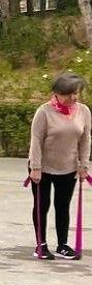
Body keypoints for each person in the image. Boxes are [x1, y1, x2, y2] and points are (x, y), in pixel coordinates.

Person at [28, 72, 91, 260]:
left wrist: (84, 165)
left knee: (62, 206)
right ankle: (41, 244)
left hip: (68, 166)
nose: (73, 97)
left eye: (75, 93)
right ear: (56, 93)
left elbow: (85, 140)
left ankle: (62, 245)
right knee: (42, 205)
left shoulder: (84, 111)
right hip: (43, 167)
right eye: (67, 94)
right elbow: (36, 140)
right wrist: (36, 167)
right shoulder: (44, 111)